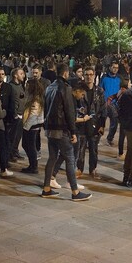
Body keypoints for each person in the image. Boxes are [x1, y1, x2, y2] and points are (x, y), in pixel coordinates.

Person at [41, 63, 92, 201]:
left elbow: (45, 107)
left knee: (52, 157)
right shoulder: (66, 88)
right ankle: (75, 192)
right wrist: (73, 132)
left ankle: (46, 188)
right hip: (61, 128)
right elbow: (69, 112)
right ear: (65, 74)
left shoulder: (49, 87)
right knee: (70, 157)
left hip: (50, 128)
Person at [80, 66, 106, 178]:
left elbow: (103, 109)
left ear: (94, 75)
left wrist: (102, 125)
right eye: (86, 74)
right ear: (83, 76)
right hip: (81, 123)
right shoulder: (79, 90)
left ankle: (93, 169)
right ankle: (79, 169)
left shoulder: (99, 91)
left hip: (95, 124)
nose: (89, 77)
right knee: (80, 149)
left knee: (93, 149)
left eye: (91, 74)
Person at [21, 79, 45, 174]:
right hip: (32, 124)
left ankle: (34, 166)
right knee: (27, 145)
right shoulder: (33, 97)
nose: (26, 86)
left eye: (28, 85)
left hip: (32, 125)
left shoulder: (35, 99)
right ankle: (32, 165)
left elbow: (33, 114)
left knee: (30, 146)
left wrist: (26, 126)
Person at [100, 62, 120, 147]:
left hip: (114, 104)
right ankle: (97, 138)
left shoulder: (119, 79)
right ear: (110, 68)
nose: (115, 69)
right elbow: (100, 90)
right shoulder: (104, 78)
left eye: (117, 68)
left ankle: (109, 138)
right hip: (104, 104)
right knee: (101, 123)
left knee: (114, 123)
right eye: (114, 67)